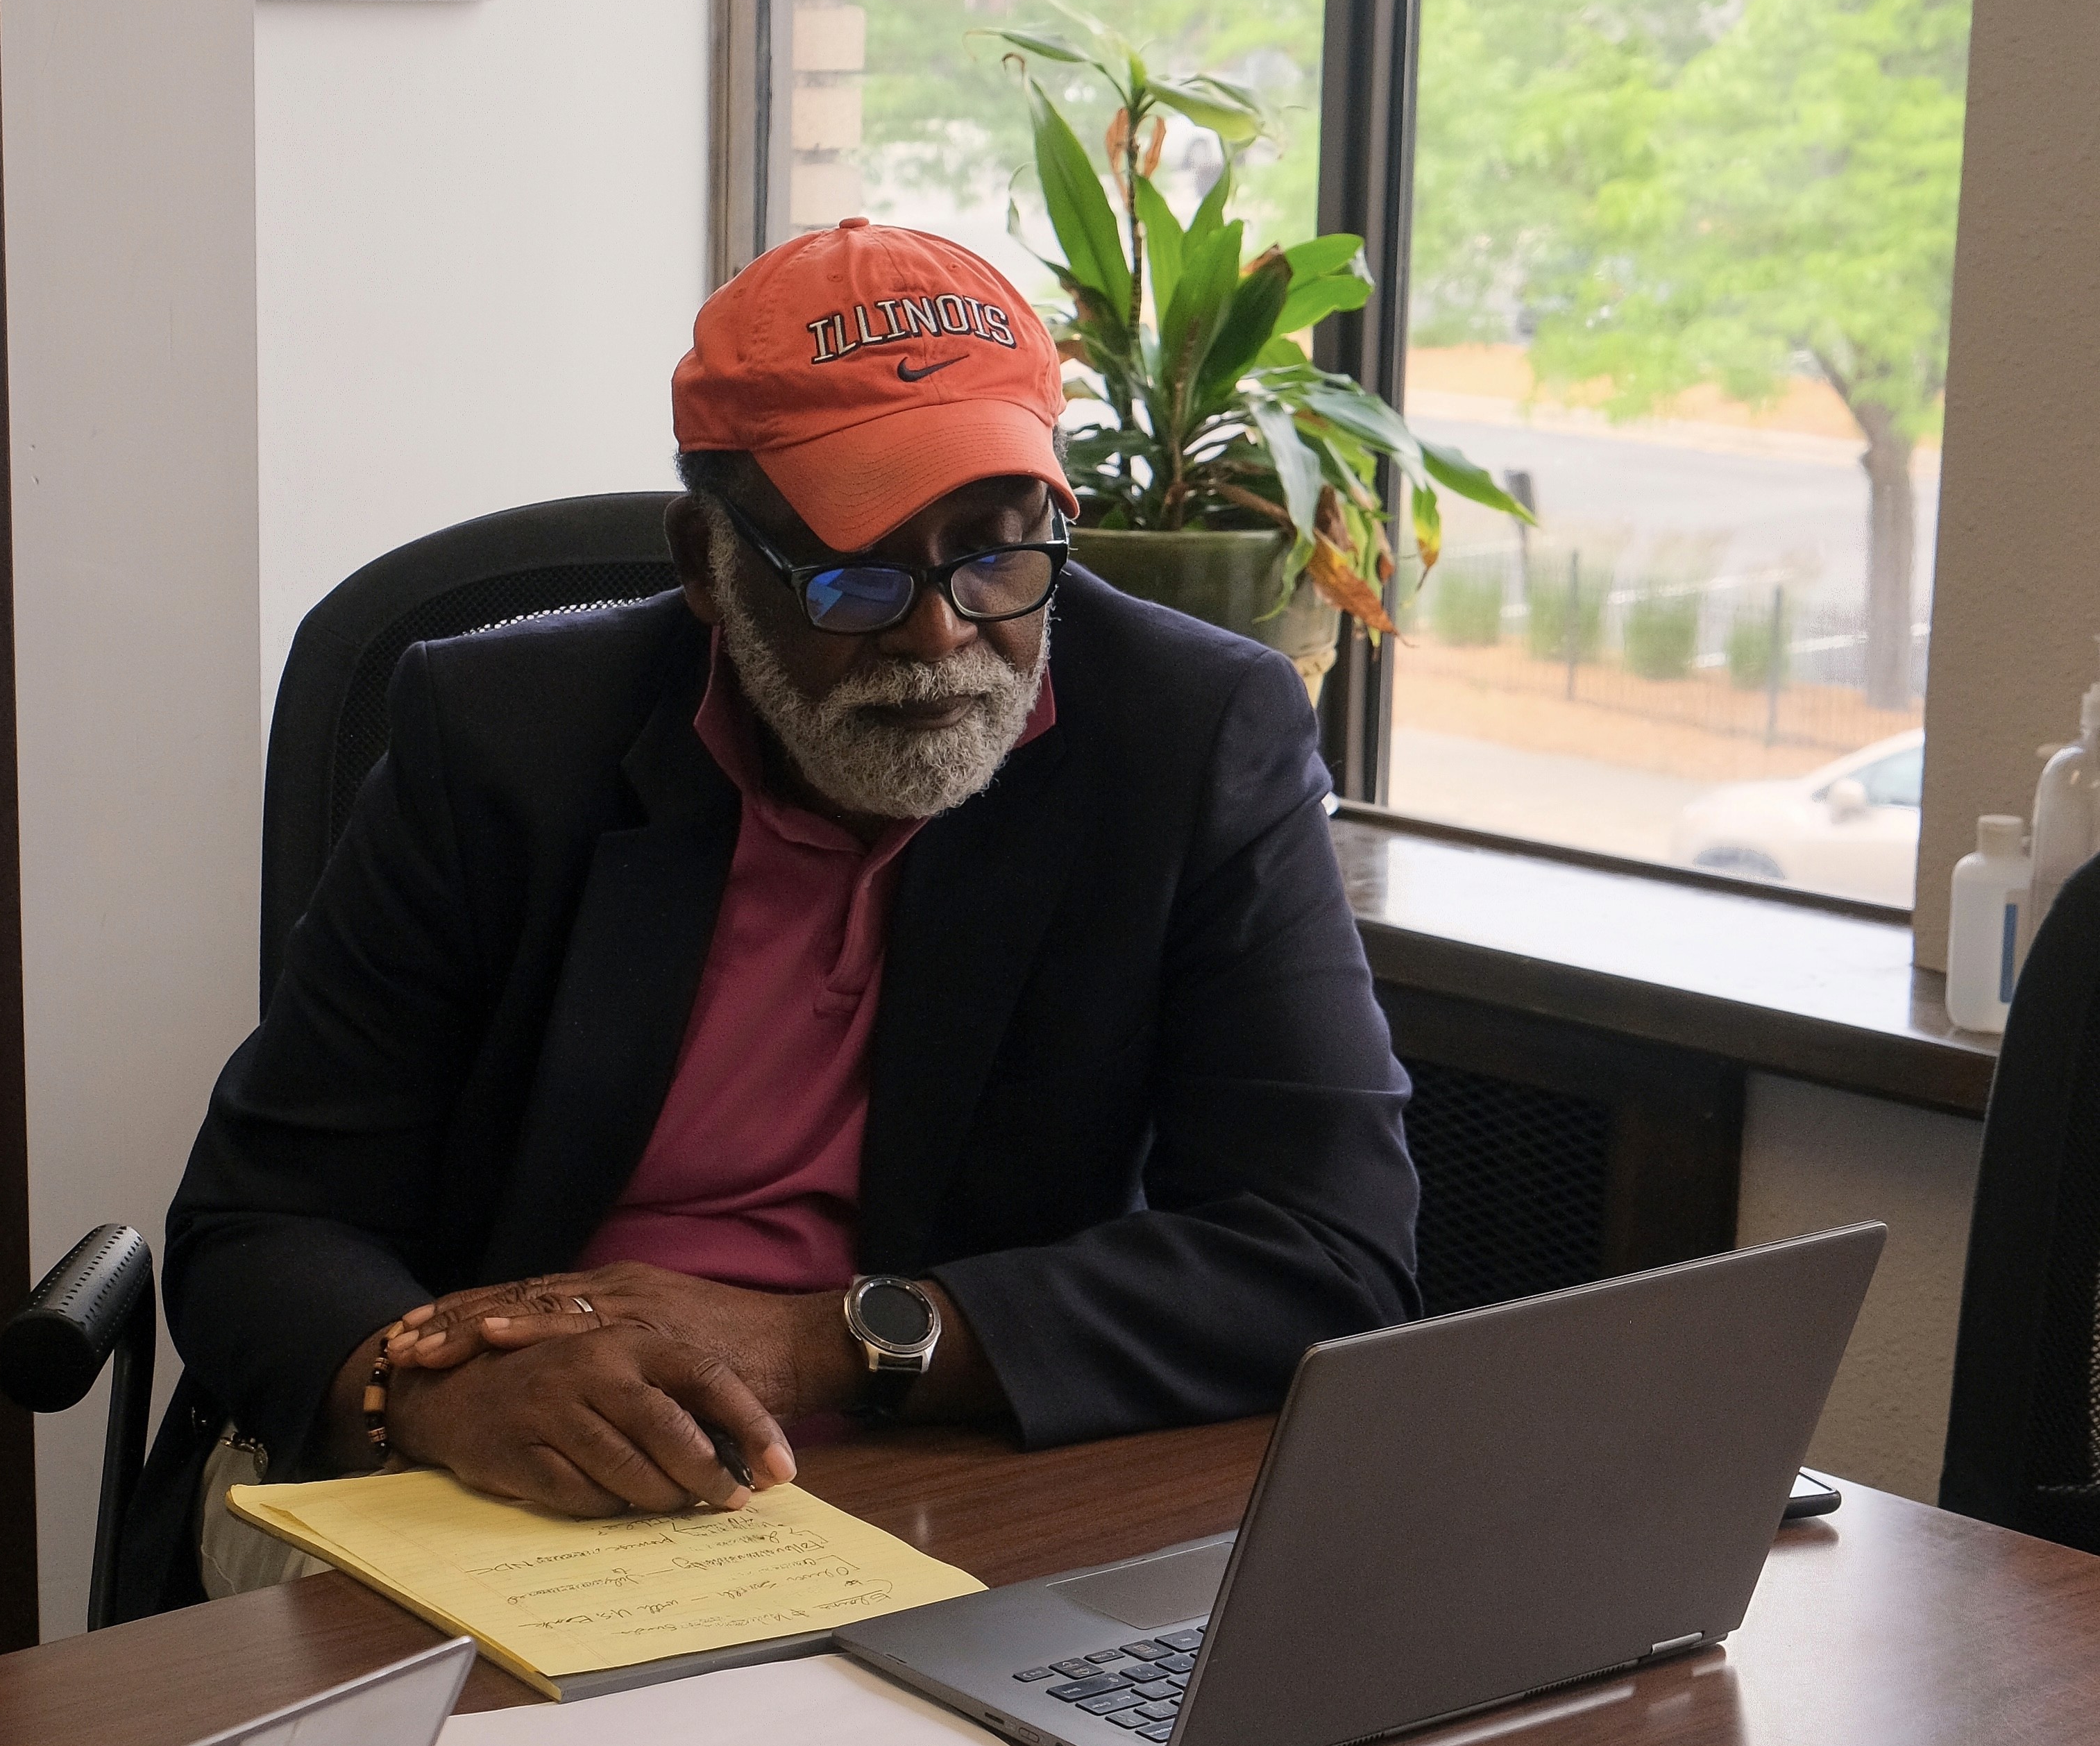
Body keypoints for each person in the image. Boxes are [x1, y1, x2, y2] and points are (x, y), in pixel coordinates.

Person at [124, 219, 1418, 1610]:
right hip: (505, 1489)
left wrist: (829, 1343)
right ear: (706, 563)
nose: (940, 636)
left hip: (953, 1489)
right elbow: (257, 1226)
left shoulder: (1191, 735)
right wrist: (432, 1397)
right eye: (856, 573)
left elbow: (1328, 1248)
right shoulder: (497, 742)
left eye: (993, 557)